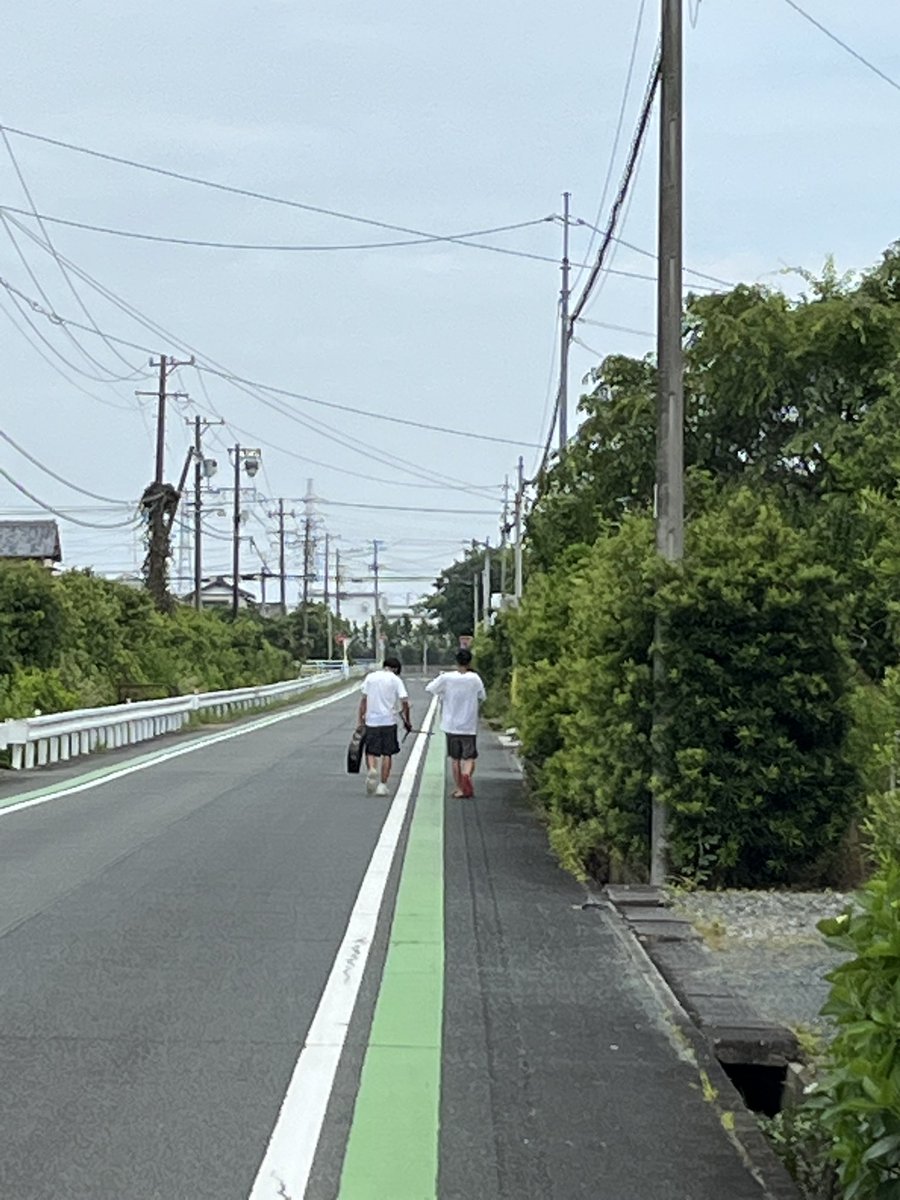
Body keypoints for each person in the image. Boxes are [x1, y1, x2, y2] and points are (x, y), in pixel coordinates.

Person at [426, 648, 486, 797]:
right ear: (470, 661)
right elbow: (482, 696)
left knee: (455, 759)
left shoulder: (447, 677)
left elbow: (430, 688)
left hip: (450, 724)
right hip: (469, 725)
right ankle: (466, 775)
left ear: (456, 661)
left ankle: (459, 788)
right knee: (469, 757)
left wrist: (444, 693)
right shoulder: (475, 678)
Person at [358, 655, 412, 797]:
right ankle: (382, 785)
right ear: (395, 669)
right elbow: (405, 702)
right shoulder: (395, 680)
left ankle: (372, 768)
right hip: (388, 721)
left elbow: (363, 700)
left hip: (371, 721)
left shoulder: (371, 677)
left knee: (371, 751)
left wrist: (360, 720)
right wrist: (407, 721)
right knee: (387, 753)